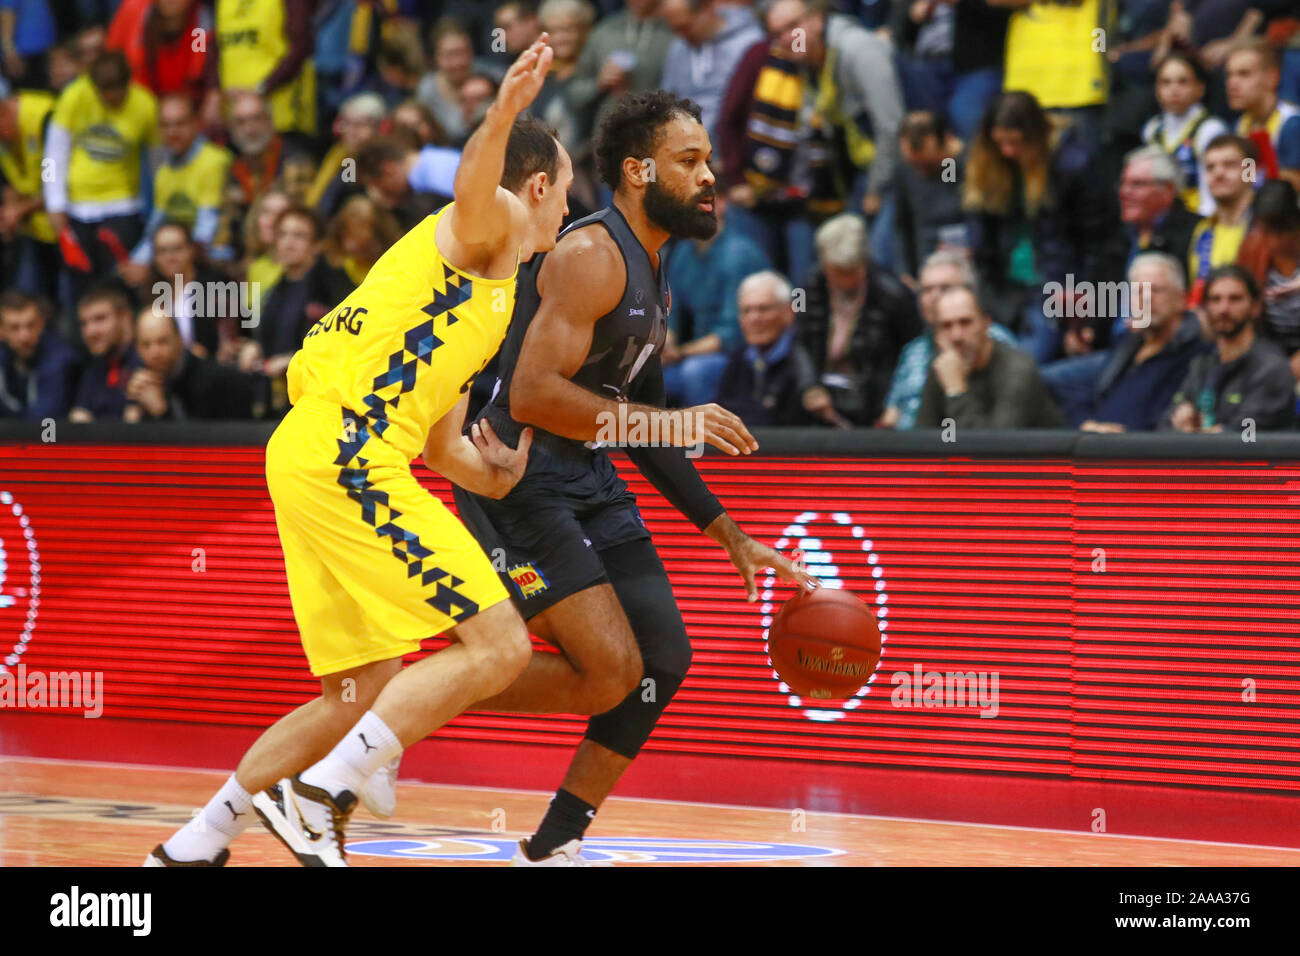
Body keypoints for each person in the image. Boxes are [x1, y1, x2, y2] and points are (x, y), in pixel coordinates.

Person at [146, 37, 571, 868]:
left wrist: (499, 473)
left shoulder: (483, 305)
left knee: (361, 687)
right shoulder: (496, 225)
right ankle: (317, 796)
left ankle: (196, 841)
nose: (565, 214)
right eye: (566, 195)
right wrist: (503, 110)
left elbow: (442, 445)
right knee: (500, 646)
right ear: (539, 187)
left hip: (309, 449)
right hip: (346, 448)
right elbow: (472, 184)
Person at [454, 90, 815, 866]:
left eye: (708, 160)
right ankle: (397, 706)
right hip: (514, 475)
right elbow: (534, 396)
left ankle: (553, 843)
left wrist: (728, 534)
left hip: (584, 474)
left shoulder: (655, 269)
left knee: (661, 660)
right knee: (607, 669)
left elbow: (644, 424)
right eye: (690, 162)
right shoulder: (590, 255)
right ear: (636, 171)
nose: (710, 175)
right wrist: (673, 423)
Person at [963, 90, 1122, 362]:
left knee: (1024, 363)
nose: (1008, 152)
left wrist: (1087, 313)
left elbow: (1098, 246)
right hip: (1004, 291)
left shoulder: (1073, 165)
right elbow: (982, 249)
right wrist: (996, 302)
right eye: (1001, 143)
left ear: (1038, 136)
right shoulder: (988, 165)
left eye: (1016, 143)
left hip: (1055, 292)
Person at [43, 49, 160, 309]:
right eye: (103, 92)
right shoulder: (75, 95)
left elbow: (157, 165)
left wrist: (157, 211)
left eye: (116, 91)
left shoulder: (145, 105)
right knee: (81, 292)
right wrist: (54, 203)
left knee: (121, 289)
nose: (110, 98)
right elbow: (52, 154)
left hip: (123, 209)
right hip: (77, 210)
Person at [800, 213, 923, 427]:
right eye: (837, 271)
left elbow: (911, 353)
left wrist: (894, 403)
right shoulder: (808, 288)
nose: (845, 279)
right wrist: (809, 386)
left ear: (864, 261)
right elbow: (799, 340)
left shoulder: (894, 294)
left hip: (874, 400)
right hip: (823, 393)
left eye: (852, 271)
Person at [1068, 253, 1211, 431]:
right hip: (1095, 443)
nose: (1147, 298)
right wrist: (1087, 423)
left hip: (1138, 451)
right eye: (1139, 291)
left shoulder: (1196, 354)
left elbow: (1165, 418)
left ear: (1181, 299)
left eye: (1157, 290)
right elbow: (1088, 397)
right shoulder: (1126, 343)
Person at [881, 249, 1019, 430]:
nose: (934, 297)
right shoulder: (913, 350)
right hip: (913, 449)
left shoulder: (994, 341)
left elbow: (1002, 433)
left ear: (971, 294)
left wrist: (955, 387)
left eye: (945, 288)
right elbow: (891, 413)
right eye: (926, 290)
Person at [663, 190, 769, 406]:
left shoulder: (739, 254)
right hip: (694, 353)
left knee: (696, 371)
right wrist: (667, 343)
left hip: (742, 356)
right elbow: (669, 309)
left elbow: (732, 335)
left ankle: (701, 439)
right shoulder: (683, 251)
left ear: (719, 204)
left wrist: (681, 352)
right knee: (646, 372)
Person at [1162, 265, 1296, 432]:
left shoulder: (1271, 369)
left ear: (1255, 307)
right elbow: (1165, 423)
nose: (1223, 309)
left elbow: (1247, 434)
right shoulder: (1201, 364)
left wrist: (1196, 437)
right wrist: (1180, 417)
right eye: (1215, 299)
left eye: (1235, 299)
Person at [915, 284, 1065, 429]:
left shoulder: (1018, 371)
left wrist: (955, 390)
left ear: (986, 324)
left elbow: (992, 448)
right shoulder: (944, 366)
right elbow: (922, 439)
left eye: (965, 323)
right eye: (946, 326)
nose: (956, 336)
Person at [716, 270, 841, 427]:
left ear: (788, 313)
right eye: (746, 311)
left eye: (763, 309)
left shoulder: (806, 359)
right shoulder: (738, 359)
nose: (754, 318)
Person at [125, 91, 231, 271]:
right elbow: (155, 227)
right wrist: (136, 262)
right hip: (177, 256)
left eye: (180, 124)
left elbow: (206, 231)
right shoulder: (163, 172)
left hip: (211, 261)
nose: (173, 132)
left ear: (196, 124)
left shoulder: (215, 161)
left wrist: (160, 261)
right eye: (166, 126)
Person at [123, 306, 260, 421]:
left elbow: (199, 445)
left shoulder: (213, 381)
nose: (154, 352)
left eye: (162, 341)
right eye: (146, 344)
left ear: (180, 340)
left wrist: (162, 412)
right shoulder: (145, 383)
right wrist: (136, 412)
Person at [659, 0, 763, 149]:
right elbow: (666, 100)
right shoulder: (678, 47)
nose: (681, 36)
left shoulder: (748, 45)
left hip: (728, 151)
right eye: (675, 29)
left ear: (706, 8)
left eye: (685, 27)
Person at [1141, 52, 1230, 216]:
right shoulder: (1152, 130)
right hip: (1161, 217)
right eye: (1165, 83)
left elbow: (1213, 190)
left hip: (1196, 214)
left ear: (1200, 88)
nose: (1174, 90)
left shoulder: (1209, 129)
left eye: (1183, 82)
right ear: (1157, 90)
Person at [893, 110, 969, 281]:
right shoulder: (905, 169)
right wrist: (905, 271)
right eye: (915, 164)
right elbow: (902, 224)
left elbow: (949, 208)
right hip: (926, 260)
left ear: (948, 141)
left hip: (965, 256)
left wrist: (956, 160)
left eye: (928, 165)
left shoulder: (952, 165)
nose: (922, 173)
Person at [1236, 179, 1300, 377]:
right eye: (1265, 231)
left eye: (1281, 231)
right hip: (1270, 350)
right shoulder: (1252, 249)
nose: (1272, 240)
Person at [0, 87, 59, 302]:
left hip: (63, 228)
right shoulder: (3, 139)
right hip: (32, 230)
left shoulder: (45, 120)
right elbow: (8, 180)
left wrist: (20, 209)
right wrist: (8, 215)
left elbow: (55, 183)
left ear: (3, 111)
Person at [1188, 133, 1257, 305]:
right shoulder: (1203, 230)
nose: (1218, 173)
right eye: (1210, 167)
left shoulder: (1269, 224)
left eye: (1229, 165)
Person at [1226, 37, 1300, 188]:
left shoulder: (1293, 126)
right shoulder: (1239, 126)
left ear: (1272, 78)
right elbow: (1249, 181)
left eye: (1244, 74)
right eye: (1230, 74)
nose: (1232, 83)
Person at [0, 290, 79, 420]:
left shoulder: (61, 359)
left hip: (51, 437)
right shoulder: (3, 357)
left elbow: (43, 420)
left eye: (31, 325)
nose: (24, 336)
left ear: (41, 324)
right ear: (1, 330)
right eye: (14, 328)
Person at [68, 283, 140, 422]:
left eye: (100, 319)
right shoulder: (93, 369)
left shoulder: (146, 359)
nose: (90, 332)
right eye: (84, 323)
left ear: (124, 318)